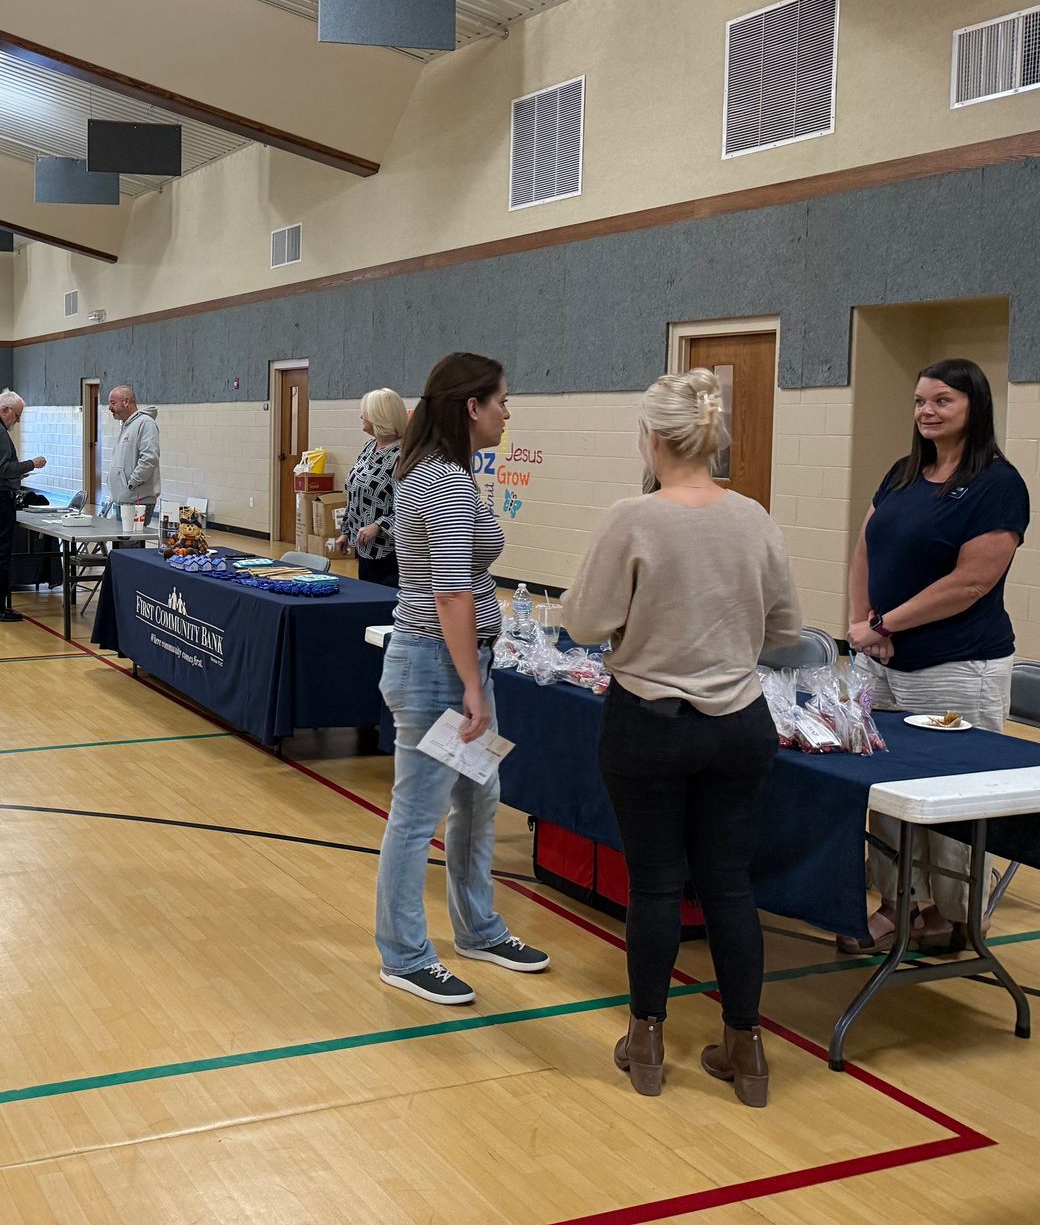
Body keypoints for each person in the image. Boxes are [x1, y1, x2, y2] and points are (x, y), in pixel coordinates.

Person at [564, 369, 801, 1107]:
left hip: (650, 722)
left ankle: (646, 1039)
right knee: (729, 883)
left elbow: (583, 623)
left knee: (656, 883)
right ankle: (746, 1047)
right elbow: (786, 629)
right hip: (740, 724)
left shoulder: (632, 518)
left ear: (653, 440)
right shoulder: (754, 517)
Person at [373, 352, 550, 1006]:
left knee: (478, 798)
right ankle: (404, 953)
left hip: (460, 664)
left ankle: (478, 928)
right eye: (502, 400)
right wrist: (472, 686)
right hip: (436, 669)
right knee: (417, 814)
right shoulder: (442, 480)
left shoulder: (447, 472)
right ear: (471, 407)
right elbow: (449, 593)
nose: (508, 412)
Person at [844, 357, 1030, 954]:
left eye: (942, 400)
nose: (927, 411)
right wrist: (861, 626)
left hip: (956, 669)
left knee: (950, 800)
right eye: (920, 401)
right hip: (881, 664)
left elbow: (970, 582)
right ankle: (897, 904)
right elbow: (865, 550)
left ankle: (956, 916)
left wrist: (885, 623)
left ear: (974, 406)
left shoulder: (999, 485)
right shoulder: (903, 473)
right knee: (885, 792)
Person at [0, 391, 46, 623]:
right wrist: (31, 464)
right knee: (0, 553)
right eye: (17, 415)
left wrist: (17, 472)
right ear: (5, 410)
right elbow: (3, 468)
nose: (18, 421)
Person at [333, 388, 407, 587]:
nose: (361, 417)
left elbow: (406, 507)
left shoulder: (402, 456)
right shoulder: (369, 447)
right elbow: (355, 493)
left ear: (379, 417)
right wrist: (346, 532)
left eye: (365, 413)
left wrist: (378, 526)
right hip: (365, 548)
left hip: (391, 553)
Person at [103, 386, 160, 515]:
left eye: (113, 403)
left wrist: (132, 483)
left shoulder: (146, 423)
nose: (109, 407)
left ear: (126, 402)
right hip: (123, 499)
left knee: (130, 530)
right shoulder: (126, 425)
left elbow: (149, 459)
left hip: (137, 501)